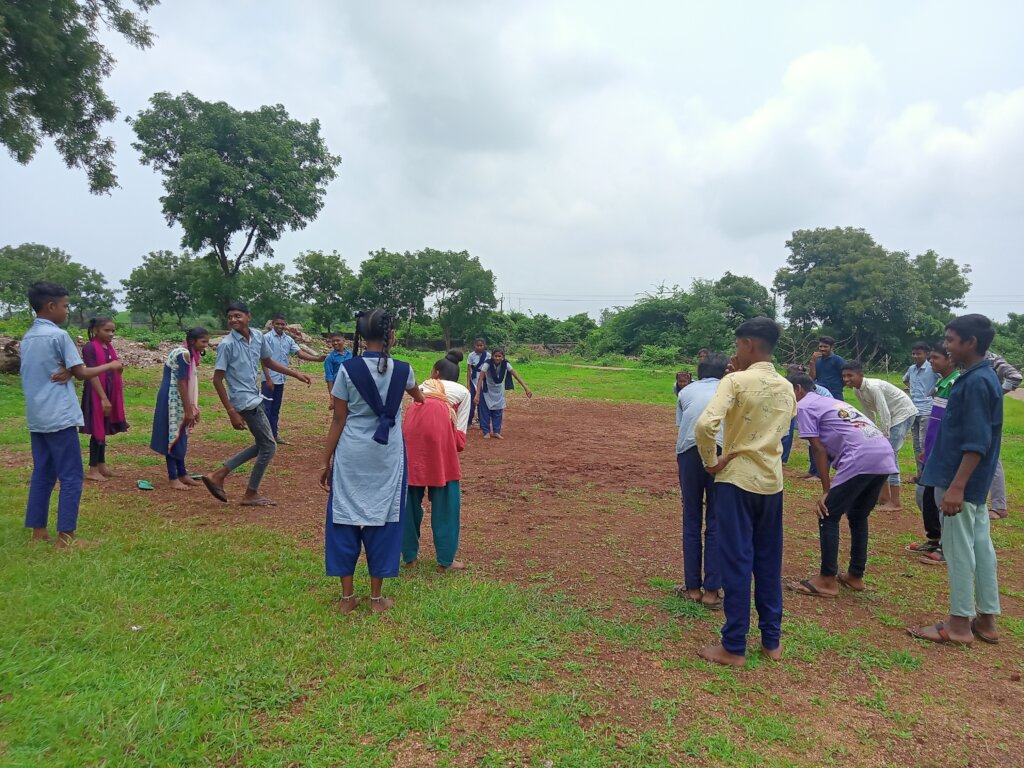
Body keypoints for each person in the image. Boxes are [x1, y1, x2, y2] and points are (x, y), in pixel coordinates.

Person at [694, 317, 796, 667]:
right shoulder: (787, 386)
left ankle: (734, 645)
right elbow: (785, 427)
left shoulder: (734, 381)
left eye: (738, 345)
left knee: (737, 560)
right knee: (769, 561)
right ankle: (772, 642)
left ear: (749, 344)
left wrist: (711, 461)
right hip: (772, 483)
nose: (735, 352)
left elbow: (706, 425)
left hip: (736, 481)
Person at [319, 309, 424, 613]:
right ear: (391, 335)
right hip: (387, 456)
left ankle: (347, 598)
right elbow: (418, 397)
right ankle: (377, 599)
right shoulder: (404, 370)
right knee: (384, 519)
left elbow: (339, 418)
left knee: (345, 518)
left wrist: (324, 461)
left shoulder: (347, 369)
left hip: (351, 454)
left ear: (361, 337)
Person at [909, 314, 1003, 646]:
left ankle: (960, 624)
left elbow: (976, 442)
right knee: (980, 546)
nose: (946, 346)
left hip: (958, 483)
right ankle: (986, 620)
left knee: (959, 549)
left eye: (950, 340)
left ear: (970, 343)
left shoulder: (976, 383)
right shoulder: (980, 377)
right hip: (970, 484)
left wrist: (956, 487)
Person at [20, 281, 124, 548]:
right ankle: (66, 536)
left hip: (37, 416)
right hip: (59, 415)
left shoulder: (28, 337)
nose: (67, 311)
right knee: (71, 475)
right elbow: (82, 372)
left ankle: (38, 532)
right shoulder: (59, 336)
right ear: (51, 306)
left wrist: (68, 370)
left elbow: (57, 369)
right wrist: (111, 365)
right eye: (65, 306)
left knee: (43, 473)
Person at [785, 373, 897, 598]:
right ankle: (855, 575)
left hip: (860, 456)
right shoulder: (830, 401)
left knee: (827, 514)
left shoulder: (804, 405)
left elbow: (818, 449)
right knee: (857, 515)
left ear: (797, 389)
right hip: (883, 453)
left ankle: (827, 580)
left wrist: (827, 490)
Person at [201, 302, 313, 506]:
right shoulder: (227, 344)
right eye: (230, 317)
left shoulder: (258, 337)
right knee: (269, 446)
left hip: (254, 396)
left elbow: (267, 361)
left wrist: (295, 373)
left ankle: (219, 475)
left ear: (248, 317)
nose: (233, 320)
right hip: (244, 401)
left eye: (237, 316)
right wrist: (231, 412)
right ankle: (248, 492)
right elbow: (217, 380)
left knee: (264, 443)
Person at [403, 350, 471, 572]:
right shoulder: (463, 393)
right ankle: (446, 560)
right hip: (442, 446)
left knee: (408, 500)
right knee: (447, 503)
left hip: (411, 444)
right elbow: (459, 440)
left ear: (435, 373)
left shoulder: (422, 387)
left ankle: (409, 557)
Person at [676, 353, 729, 609]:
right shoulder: (732, 391)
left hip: (689, 452)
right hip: (720, 453)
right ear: (725, 371)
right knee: (716, 520)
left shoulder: (686, 391)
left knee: (691, 517)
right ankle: (712, 592)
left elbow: (683, 425)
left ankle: (692, 588)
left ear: (699, 371)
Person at [841, 360, 917, 512]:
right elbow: (868, 413)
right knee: (882, 454)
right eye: (844, 376)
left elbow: (884, 412)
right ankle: (883, 497)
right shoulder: (857, 390)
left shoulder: (873, 387)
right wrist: (871, 433)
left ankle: (895, 502)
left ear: (860, 375)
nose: (846, 379)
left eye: (850, 375)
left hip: (903, 413)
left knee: (889, 455)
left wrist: (884, 433)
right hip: (892, 416)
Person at [909, 343, 960, 565]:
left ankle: (947, 547)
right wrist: (926, 450)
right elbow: (935, 422)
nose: (931, 362)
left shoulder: (956, 384)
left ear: (950, 359)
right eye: (930, 358)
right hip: (932, 451)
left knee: (940, 499)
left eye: (935, 358)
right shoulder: (942, 383)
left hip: (944, 452)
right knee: (924, 496)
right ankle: (934, 537)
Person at [150, 327, 210, 490]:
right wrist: (188, 410)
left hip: (177, 397)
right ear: (192, 341)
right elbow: (181, 382)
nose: (206, 345)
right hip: (173, 398)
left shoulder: (187, 353)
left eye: (207, 342)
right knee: (174, 434)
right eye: (203, 341)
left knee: (181, 433)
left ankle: (182, 474)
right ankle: (173, 477)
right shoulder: (184, 355)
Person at [260, 313, 326, 443]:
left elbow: (299, 353)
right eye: (277, 324)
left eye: (282, 324)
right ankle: (264, 437)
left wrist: (317, 359)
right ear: (272, 324)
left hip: (281, 379)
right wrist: (267, 379)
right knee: (266, 408)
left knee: (275, 409)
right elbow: (263, 359)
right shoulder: (266, 338)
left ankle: (274, 435)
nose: (280, 326)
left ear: (286, 325)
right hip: (269, 379)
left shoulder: (288, 339)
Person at [79, 316, 130, 482]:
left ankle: (101, 465)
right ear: (96, 330)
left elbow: (115, 369)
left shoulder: (108, 347)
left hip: (109, 390)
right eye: (107, 330)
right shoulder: (89, 348)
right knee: (97, 429)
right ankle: (93, 469)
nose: (111, 334)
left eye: (113, 330)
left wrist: (119, 369)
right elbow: (92, 373)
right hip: (96, 392)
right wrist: (103, 398)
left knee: (104, 427)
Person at [984, 350, 1021, 520]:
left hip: (988, 414)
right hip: (976, 413)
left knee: (992, 457)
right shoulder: (966, 358)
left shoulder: (991, 358)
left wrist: (997, 394)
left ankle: (999, 506)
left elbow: (1015, 377)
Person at [474, 348, 532, 439]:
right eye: (495, 356)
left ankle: (496, 431)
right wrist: (477, 394)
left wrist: (526, 388)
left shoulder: (506, 364)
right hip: (487, 390)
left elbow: (516, 376)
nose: (497, 358)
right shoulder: (487, 364)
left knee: (498, 411)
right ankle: (486, 432)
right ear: (492, 356)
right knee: (485, 411)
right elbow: (480, 378)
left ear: (503, 357)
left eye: (499, 356)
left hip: (498, 390)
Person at [903, 341, 939, 475]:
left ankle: (927, 474)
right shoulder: (911, 369)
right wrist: (912, 388)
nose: (915, 356)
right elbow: (905, 379)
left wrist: (935, 390)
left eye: (919, 354)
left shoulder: (932, 368)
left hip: (927, 409)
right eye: (913, 353)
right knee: (916, 444)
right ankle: (920, 474)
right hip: (913, 409)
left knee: (925, 443)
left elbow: (945, 380)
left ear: (926, 354)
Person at [809, 336, 845, 400]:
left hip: (835, 394)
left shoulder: (838, 360)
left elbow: (845, 377)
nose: (822, 349)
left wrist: (837, 386)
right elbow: (812, 378)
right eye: (820, 346)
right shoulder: (817, 360)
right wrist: (812, 362)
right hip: (820, 393)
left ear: (832, 347)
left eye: (825, 347)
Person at [323, 332, 352, 410]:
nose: (335, 343)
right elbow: (329, 377)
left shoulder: (351, 354)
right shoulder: (329, 358)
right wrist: (332, 397)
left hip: (352, 388)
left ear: (343, 340)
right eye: (333, 341)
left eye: (338, 340)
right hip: (339, 389)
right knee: (340, 411)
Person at [466, 338, 489, 427]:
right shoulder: (471, 355)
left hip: (483, 380)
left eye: (481, 345)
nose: (479, 347)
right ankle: (468, 421)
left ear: (484, 346)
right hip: (473, 379)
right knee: (471, 401)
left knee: (482, 402)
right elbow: (469, 370)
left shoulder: (488, 355)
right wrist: (468, 384)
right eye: (477, 345)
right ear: (474, 346)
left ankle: (481, 421)